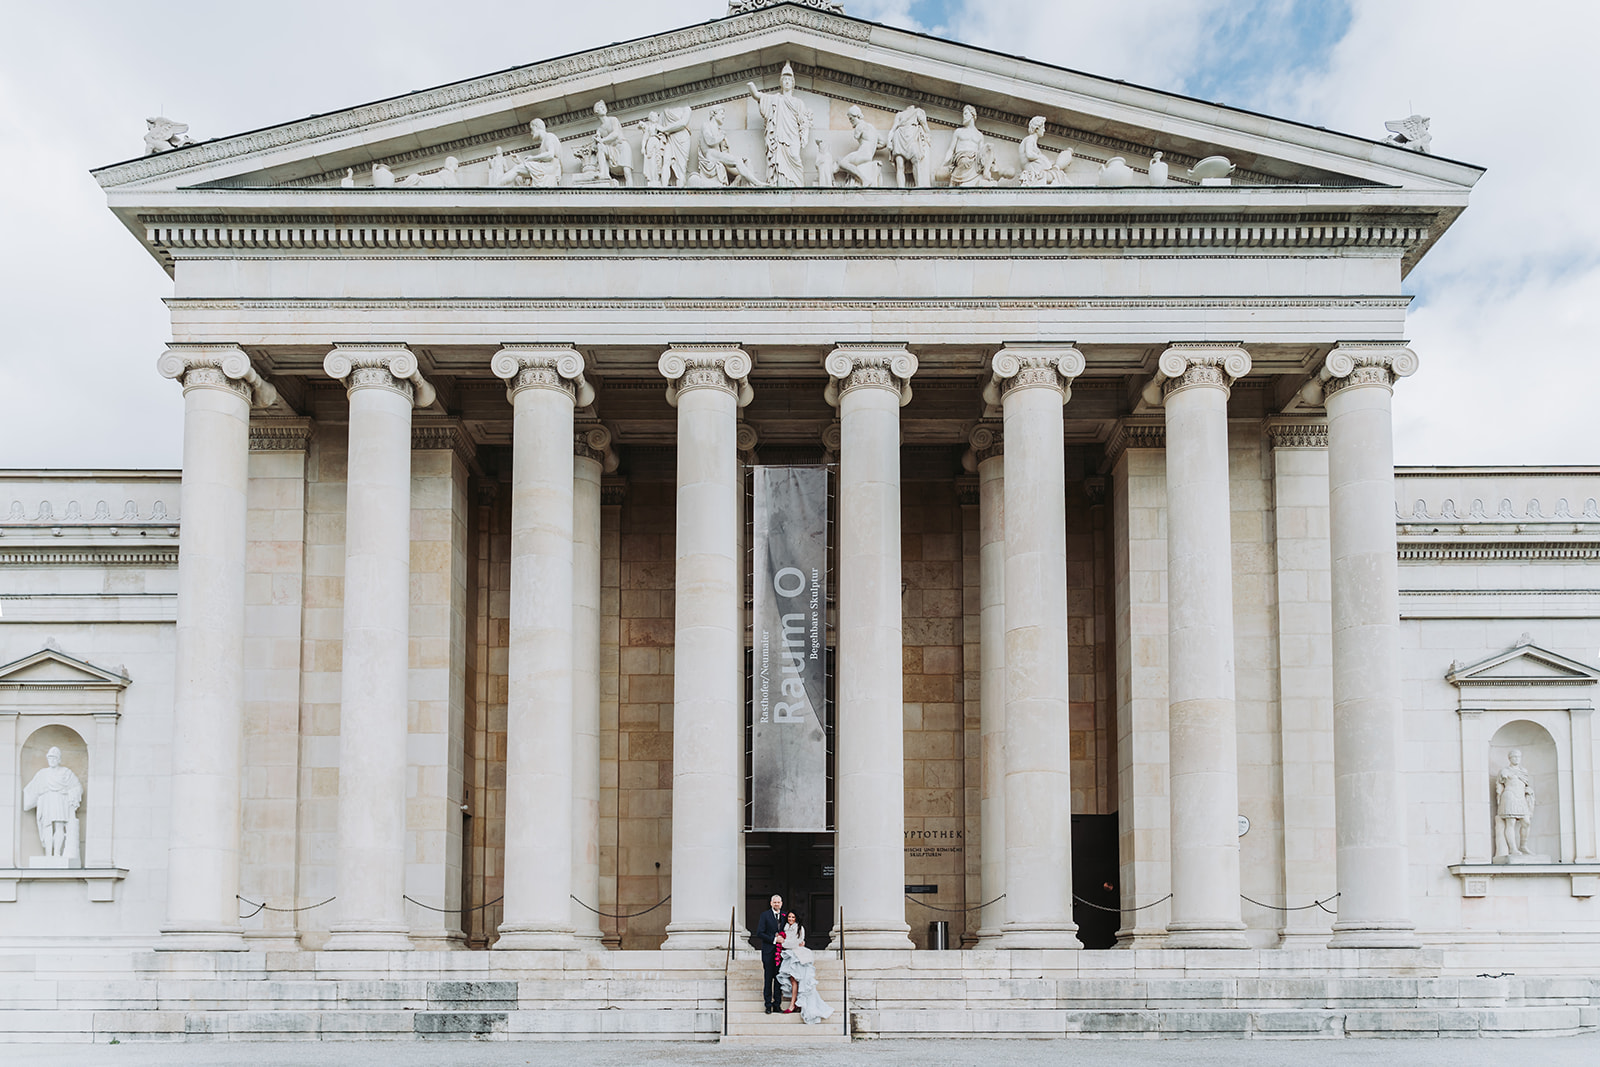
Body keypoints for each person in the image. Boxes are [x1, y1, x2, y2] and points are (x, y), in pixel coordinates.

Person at [747, 63, 813, 187]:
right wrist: (750, 86)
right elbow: (757, 96)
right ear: (781, 82)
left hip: (793, 136)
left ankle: (797, 186)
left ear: (793, 83)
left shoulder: (798, 103)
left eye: (789, 79)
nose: (787, 82)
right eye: (785, 79)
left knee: (795, 156)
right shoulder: (775, 99)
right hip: (779, 137)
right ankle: (781, 185)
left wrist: (805, 135)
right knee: (779, 161)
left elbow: (804, 122)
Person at [23, 746, 82, 860]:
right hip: (46, 801)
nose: (52, 760)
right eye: (50, 758)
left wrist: (72, 794)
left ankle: (57, 854)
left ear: (59, 759)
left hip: (61, 800)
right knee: (47, 827)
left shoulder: (66, 773)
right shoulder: (42, 773)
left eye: (54, 758)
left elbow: (77, 787)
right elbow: (31, 789)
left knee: (59, 826)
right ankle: (48, 854)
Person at [776, 912, 833, 1024]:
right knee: (792, 980)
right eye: (789, 917)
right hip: (789, 956)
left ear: (796, 918)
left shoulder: (800, 928)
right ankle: (795, 1003)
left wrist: (783, 943)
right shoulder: (785, 928)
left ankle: (794, 1004)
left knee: (799, 980)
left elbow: (797, 942)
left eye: (793, 917)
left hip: (798, 957)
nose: (791, 919)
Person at [755, 893, 785, 1013]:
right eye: (774, 902)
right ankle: (768, 1005)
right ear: (771, 903)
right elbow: (760, 933)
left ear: (781, 903)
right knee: (768, 979)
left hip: (781, 953)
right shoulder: (765, 915)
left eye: (778, 902)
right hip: (768, 952)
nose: (777, 904)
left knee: (779, 979)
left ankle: (777, 1004)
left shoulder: (785, 915)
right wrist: (774, 939)